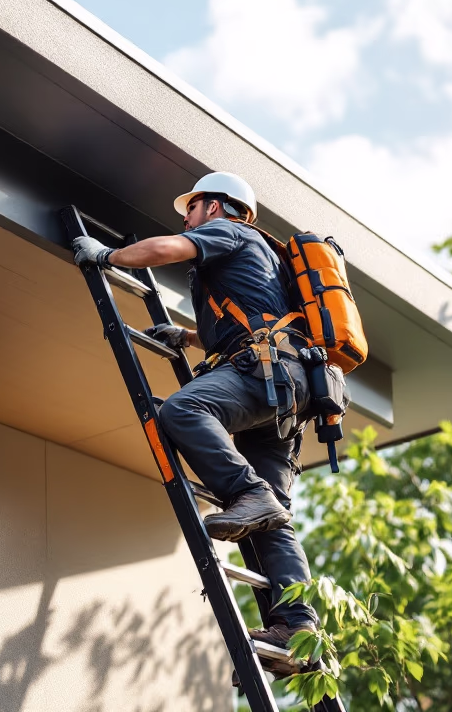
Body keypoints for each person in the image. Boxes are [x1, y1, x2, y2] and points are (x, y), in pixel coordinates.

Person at [72, 171, 317, 657]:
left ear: (216, 206)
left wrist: (106, 256)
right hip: (289, 390)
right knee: (275, 517)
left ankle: (248, 493)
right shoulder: (266, 257)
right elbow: (255, 321)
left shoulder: (231, 231)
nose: (187, 218)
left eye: (192, 207)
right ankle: (298, 628)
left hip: (268, 375)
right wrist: (186, 337)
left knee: (184, 409)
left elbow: (165, 249)